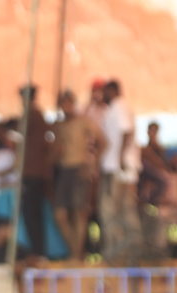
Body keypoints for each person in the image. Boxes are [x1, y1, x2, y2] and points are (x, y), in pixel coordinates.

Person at [52, 90, 106, 261]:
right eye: (63, 103)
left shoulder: (84, 122)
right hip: (64, 169)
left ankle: (77, 255)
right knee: (60, 214)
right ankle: (75, 251)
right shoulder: (59, 125)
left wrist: (93, 165)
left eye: (68, 103)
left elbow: (103, 141)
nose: (66, 107)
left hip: (80, 169)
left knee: (78, 212)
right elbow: (56, 149)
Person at [97, 80, 141, 265]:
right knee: (125, 211)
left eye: (104, 91)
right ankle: (131, 252)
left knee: (110, 211)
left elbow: (126, 131)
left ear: (112, 90)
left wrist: (121, 158)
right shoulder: (119, 108)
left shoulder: (119, 107)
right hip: (124, 169)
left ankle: (115, 253)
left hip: (117, 169)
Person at [18, 85, 54, 257]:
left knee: (31, 214)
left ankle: (38, 251)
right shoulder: (37, 115)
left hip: (32, 173)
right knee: (34, 213)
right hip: (35, 172)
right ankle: (39, 250)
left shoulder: (31, 114)